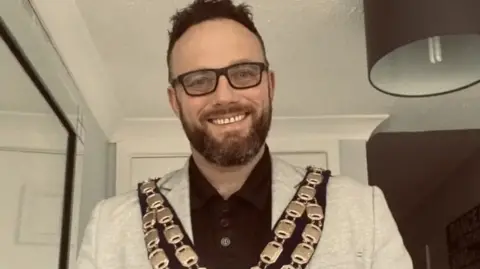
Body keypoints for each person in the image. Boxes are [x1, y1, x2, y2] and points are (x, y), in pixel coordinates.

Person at [76, 0, 413, 268]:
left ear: (270, 84)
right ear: (174, 101)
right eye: (198, 80)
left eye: (244, 72)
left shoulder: (361, 210)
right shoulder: (110, 226)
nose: (224, 96)